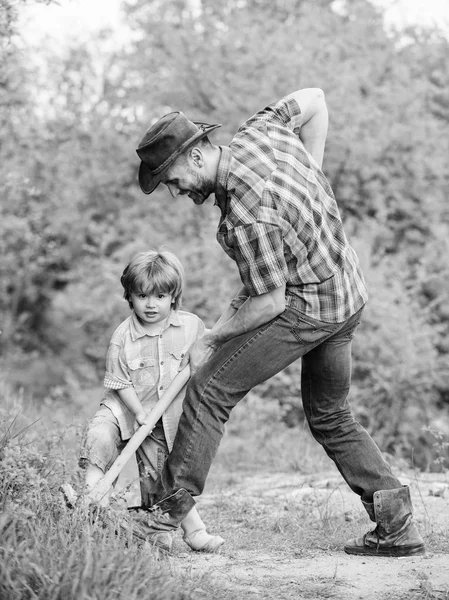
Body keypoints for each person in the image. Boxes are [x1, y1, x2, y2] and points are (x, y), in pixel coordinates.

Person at [133, 88, 425, 557]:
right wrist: (313, 169)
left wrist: (211, 337)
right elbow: (314, 99)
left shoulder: (248, 214)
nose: (175, 191)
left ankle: (163, 516)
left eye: (171, 178)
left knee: (210, 388)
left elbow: (269, 303)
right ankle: (397, 526)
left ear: (197, 154)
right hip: (346, 294)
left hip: (307, 308)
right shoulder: (260, 132)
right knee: (331, 415)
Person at [77, 250, 224, 552]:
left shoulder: (192, 327)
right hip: (124, 408)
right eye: (142, 295)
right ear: (129, 297)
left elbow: (210, 349)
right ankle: (93, 499)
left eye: (159, 296)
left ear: (173, 296)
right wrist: (140, 412)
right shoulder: (123, 337)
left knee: (161, 475)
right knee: (99, 436)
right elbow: (119, 382)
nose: (151, 304)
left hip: (163, 416)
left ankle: (190, 531)